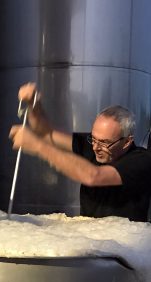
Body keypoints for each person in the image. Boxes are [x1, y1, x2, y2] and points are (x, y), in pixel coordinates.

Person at [9, 82, 151, 222]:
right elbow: (46, 133)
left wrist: (39, 147)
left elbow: (94, 176)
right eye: (94, 139)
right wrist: (34, 105)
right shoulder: (91, 145)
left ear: (127, 141)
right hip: (89, 237)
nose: (95, 147)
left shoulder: (141, 161)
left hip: (122, 243)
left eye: (104, 142)